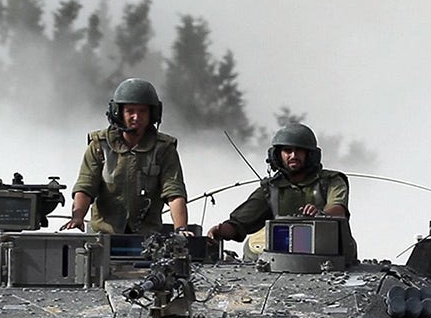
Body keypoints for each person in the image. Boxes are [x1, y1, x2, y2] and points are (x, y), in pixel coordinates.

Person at [63, 78, 190, 234]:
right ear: (119, 112)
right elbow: (86, 185)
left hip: (147, 237)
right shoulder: (100, 146)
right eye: (130, 111)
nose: (136, 117)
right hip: (104, 235)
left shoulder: (163, 149)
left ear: (152, 113)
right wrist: (78, 216)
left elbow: (174, 191)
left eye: (142, 111)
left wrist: (181, 228)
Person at [209, 122, 348, 242]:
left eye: (299, 151)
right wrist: (220, 230)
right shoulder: (271, 189)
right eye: (288, 150)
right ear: (277, 155)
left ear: (310, 155)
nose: (293, 156)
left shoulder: (330, 181)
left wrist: (321, 215)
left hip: (328, 257)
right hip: (282, 258)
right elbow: (241, 222)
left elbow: (338, 209)